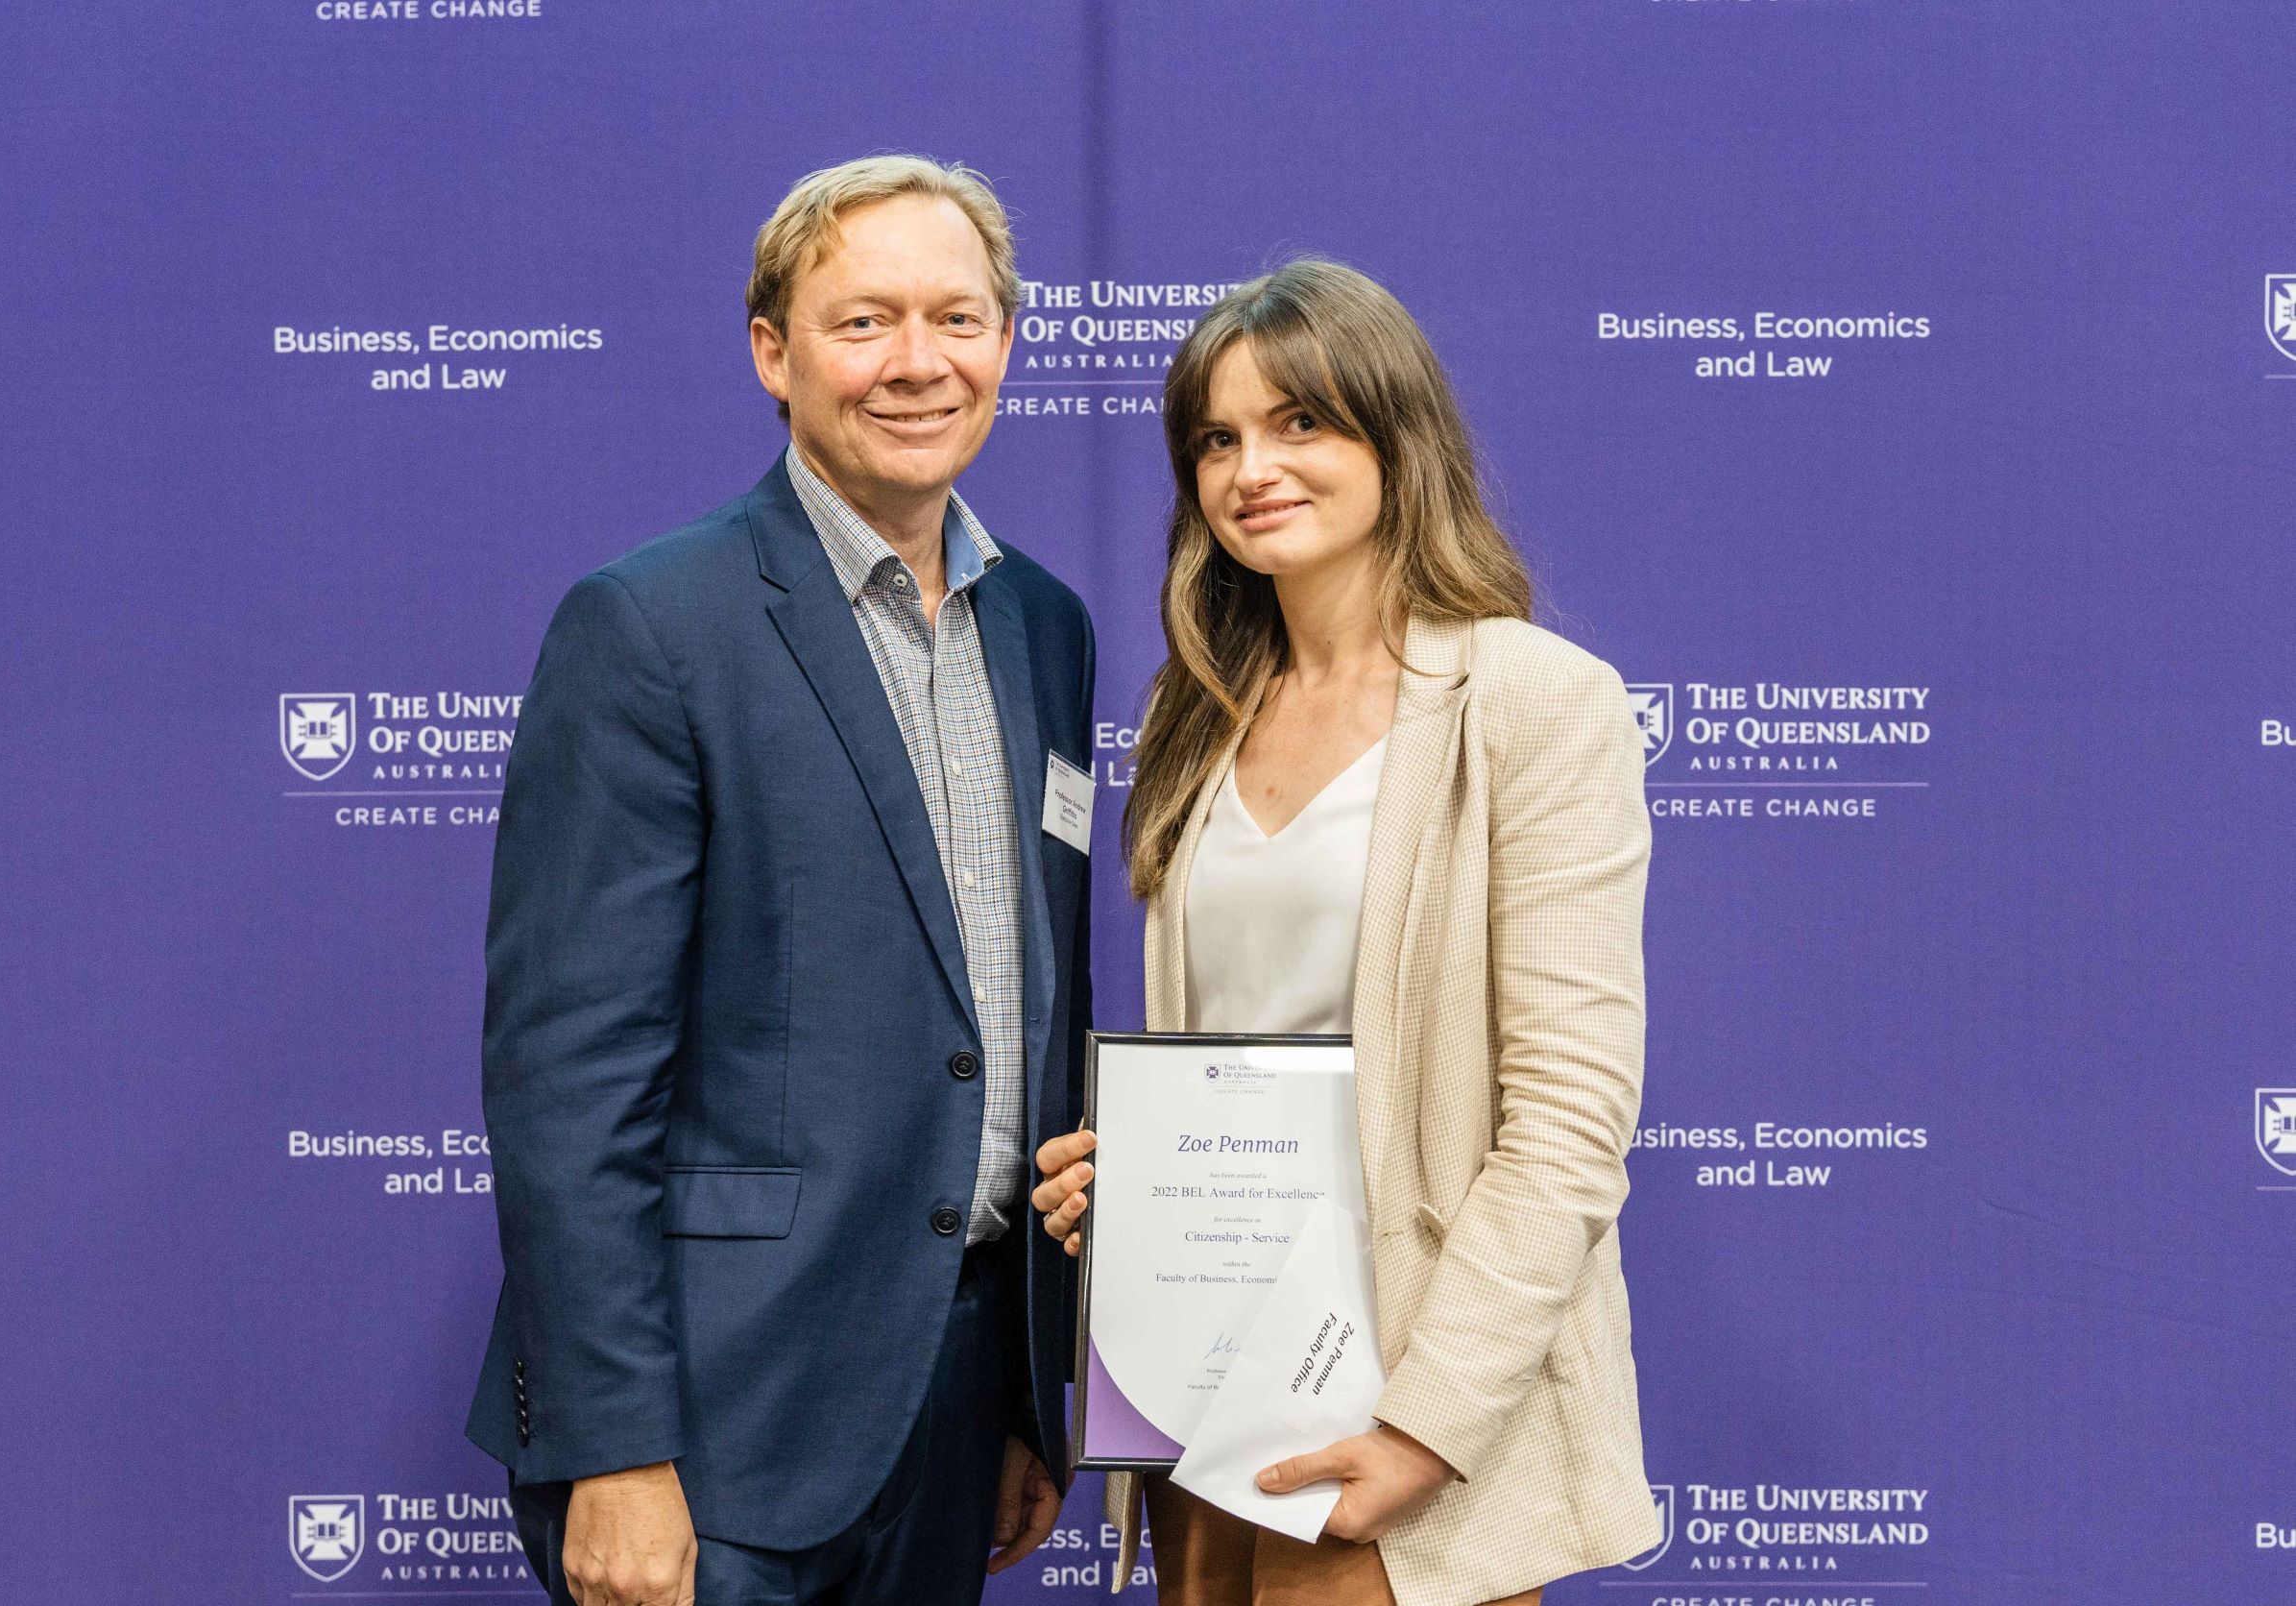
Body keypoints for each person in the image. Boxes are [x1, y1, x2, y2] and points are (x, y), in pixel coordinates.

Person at [469, 155, 1097, 1606]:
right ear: (774, 352)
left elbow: (1016, 1020)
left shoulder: (1044, 630)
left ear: (1008, 342)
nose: (918, 363)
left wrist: (1020, 1396)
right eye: (864, 322)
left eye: (958, 318)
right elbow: (570, 1075)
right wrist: (616, 1447)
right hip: (716, 1427)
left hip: (954, 1403)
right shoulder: (652, 625)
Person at [1032, 259, 1661, 1606]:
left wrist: (1428, 1426)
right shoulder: (1198, 716)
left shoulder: (1535, 702)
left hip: (1410, 1419)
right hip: (1214, 1401)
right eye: (1217, 439)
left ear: (1396, 437)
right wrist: (1138, 1178)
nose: (1253, 467)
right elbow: (1237, 1055)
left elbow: (1568, 1115)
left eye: (1301, 422)